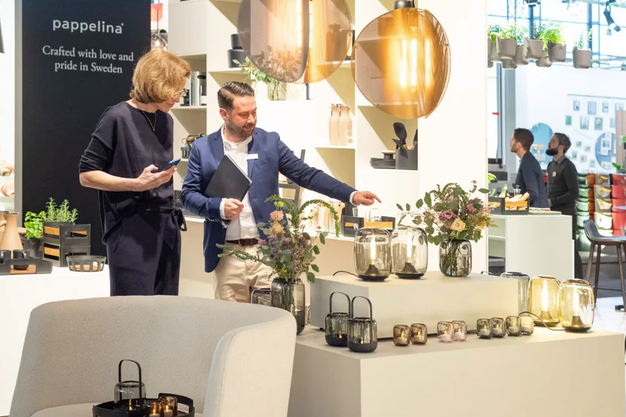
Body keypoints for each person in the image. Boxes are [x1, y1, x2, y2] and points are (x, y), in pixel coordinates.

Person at [181, 81, 380, 302]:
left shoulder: (270, 142)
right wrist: (218, 207)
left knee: (273, 318)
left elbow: (306, 174)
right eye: (244, 114)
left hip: (269, 253)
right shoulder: (203, 148)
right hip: (226, 255)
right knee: (231, 320)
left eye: (254, 112)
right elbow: (188, 195)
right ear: (224, 114)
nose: (251, 119)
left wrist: (351, 195)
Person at [78, 50, 191, 296]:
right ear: (155, 82)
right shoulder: (117, 117)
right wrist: (136, 184)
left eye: (181, 91)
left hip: (167, 225)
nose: (177, 98)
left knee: (165, 308)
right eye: (174, 90)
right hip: (131, 228)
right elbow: (87, 175)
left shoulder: (166, 120)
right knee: (132, 310)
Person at [546, 133, 583, 279]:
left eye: (552, 141)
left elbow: (574, 193)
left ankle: (578, 279)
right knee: (556, 247)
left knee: (570, 247)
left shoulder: (568, 166)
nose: (549, 144)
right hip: (553, 214)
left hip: (566, 214)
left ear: (561, 146)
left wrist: (553, 202)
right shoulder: (551, 165)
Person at [510, 128, 549, 208]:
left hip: (535, 210)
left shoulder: (527, 163)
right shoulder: (528, 160)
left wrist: (516, 202)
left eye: (512, 139)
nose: (510, 142)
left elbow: (532, 193)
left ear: (518, 145)